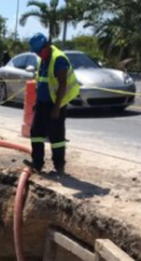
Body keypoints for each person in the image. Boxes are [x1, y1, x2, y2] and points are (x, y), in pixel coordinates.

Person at [23, 33, 80, 175]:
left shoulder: (58, 59)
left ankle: (59, 166)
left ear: (46, 46)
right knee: (36, 133)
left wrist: (56, 108)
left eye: (39, 51)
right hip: (42, 103)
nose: (38, 54)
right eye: (36, 52)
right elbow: (42, 81)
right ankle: (37, 163)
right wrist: (37, 102)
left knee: (56, 137)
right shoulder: (43, 59)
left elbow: (62, 85)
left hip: (55, 105)